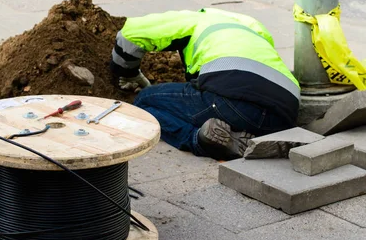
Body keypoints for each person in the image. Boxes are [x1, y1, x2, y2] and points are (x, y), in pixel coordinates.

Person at [110, 8, 300, 160]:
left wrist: (128, 74)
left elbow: (129, 35)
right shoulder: (252, 28)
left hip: (231, 103)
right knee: (240, 108)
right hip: (286, 113)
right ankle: (251, 137)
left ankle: (198, 139)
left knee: (144, 101)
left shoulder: (193, 21)